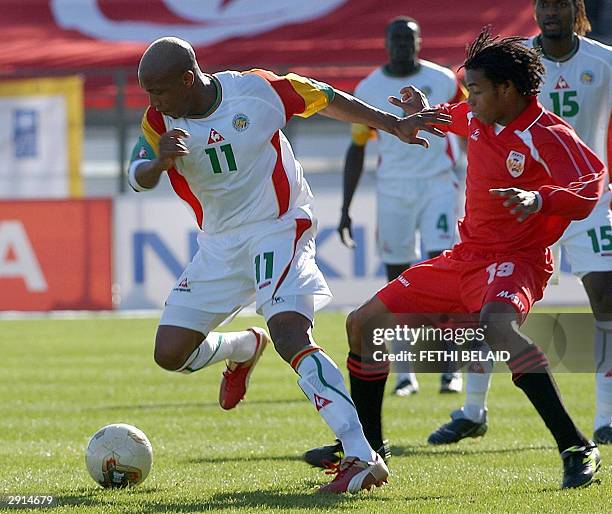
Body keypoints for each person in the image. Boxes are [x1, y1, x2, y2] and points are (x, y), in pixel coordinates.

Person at [128, 36, 451, 494]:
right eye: (147, 92)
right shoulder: (158, 121)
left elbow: (326, 98)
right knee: (170, 354)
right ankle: (242, 348)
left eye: (157, 90)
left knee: (290, 333)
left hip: (278, 227)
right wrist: (159, 163)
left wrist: (393, 125)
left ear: (187, 79)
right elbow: (136, 175)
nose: (152, 101)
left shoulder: (254, 91)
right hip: (218, 245)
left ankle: (361, 455)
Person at [305, 27, 604, 489]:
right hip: (466, 258)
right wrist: (420, 114)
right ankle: (368, 452)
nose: (472, 97)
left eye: (478, 89)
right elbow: (452, 115)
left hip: (517, 260)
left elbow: (590, 188)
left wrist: (539, 200)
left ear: (506, 90)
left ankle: (575, 445)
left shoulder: (547, 134)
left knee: (497, 328)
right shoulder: (482, 116)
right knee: (361, 324)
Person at [429, 0, 612, 447]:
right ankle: (472, 410)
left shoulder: (603, 61)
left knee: (607, 300)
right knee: (485, 308)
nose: (550, 11)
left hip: (580, 198)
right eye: (542, 3)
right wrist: (430, 112)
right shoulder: (514, 62)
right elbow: (472, 112)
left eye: (559, 3)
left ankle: (606, 416)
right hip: (514, 205)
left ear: (576, 8)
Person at [339, 16, 467, 398]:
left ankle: (449, 369)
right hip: (393, 190)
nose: (401, 46)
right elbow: (357, 146)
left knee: (442, 270)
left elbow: (472, 122)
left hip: (438, 185)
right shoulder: (368, 87)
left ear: (419, 42)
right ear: (385, 43)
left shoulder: (444, 80)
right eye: (395, 39)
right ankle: (404, 373)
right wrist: (345, 207)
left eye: (408, 39)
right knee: (397, 279)